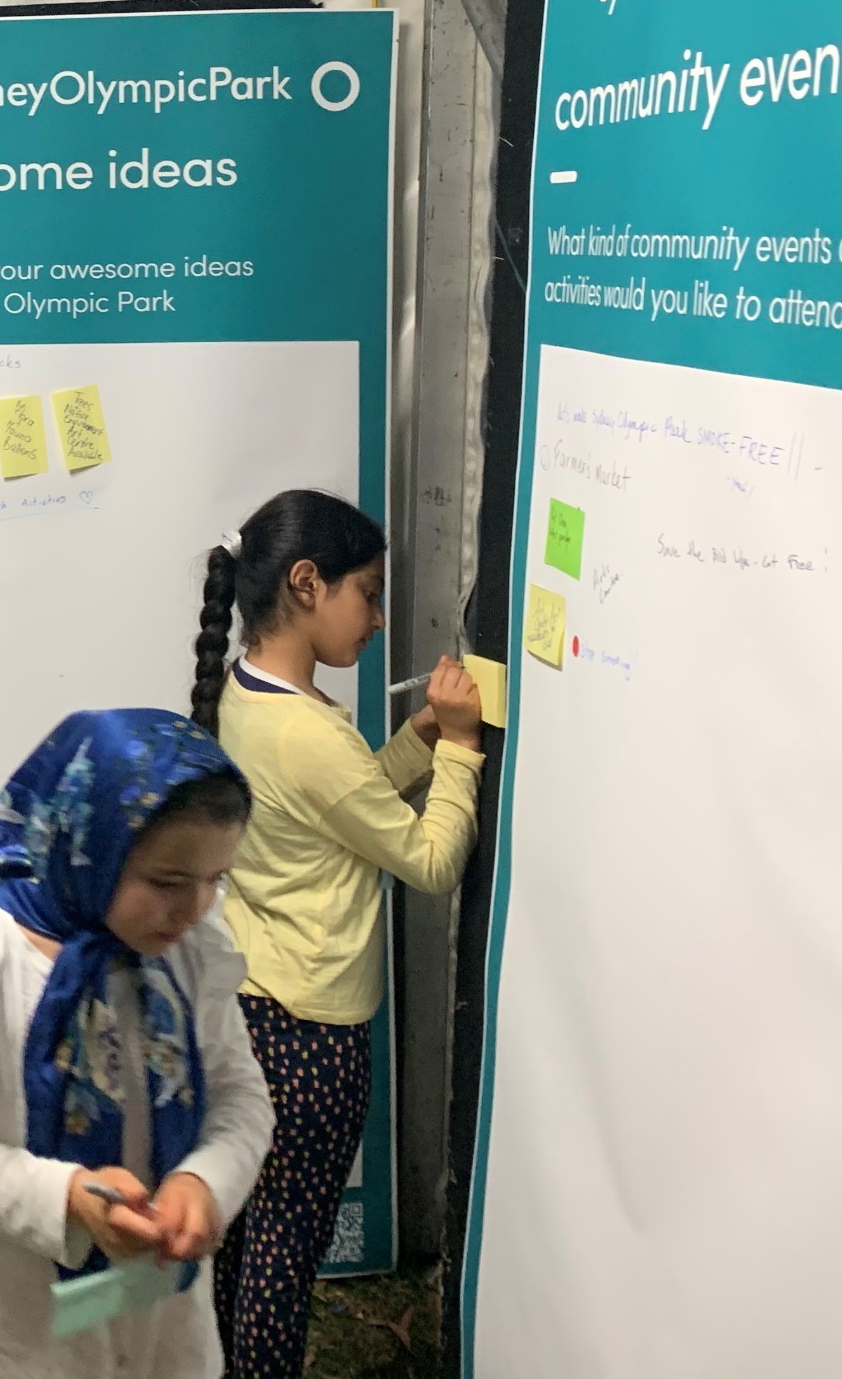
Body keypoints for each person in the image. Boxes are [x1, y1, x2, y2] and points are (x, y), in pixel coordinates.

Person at [0, 710, 273, 1379]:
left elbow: (240, 1099)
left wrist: (206, 1180)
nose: (197, 908)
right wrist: (67, 1198)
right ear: (90, 847)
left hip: (149, 1317)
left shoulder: (190, 958)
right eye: (168, 882)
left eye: (216, 880)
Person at [192, 491, 484, 1379]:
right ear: (308, 585)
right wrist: (464, 748)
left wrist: (418, 740)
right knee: (284, 1264)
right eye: (371, 592)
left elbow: (340, 812)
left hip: (248, 1012)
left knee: (242, 1250)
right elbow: (430, 862)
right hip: (313, 1039)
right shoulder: (310, 732)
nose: (381, 616)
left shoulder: (245, 695)